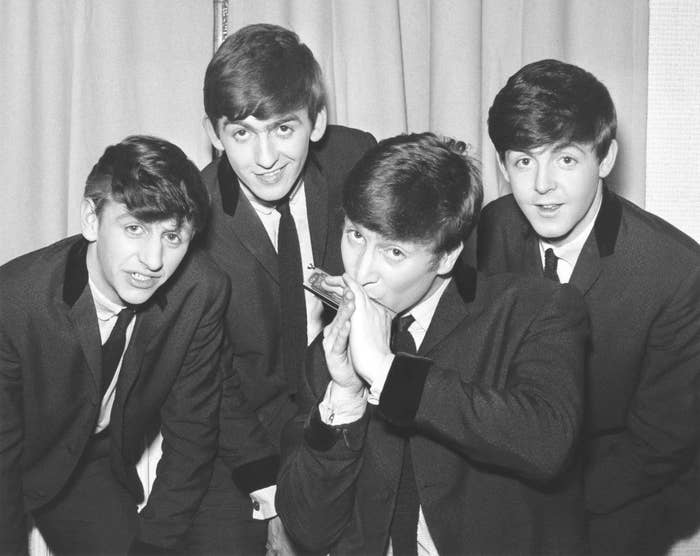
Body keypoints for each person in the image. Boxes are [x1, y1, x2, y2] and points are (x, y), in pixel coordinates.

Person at [276, 132, 590, 555]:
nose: (361, 271)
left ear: (446, 257)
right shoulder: (331, 350)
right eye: (355, 236)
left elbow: (547, 444)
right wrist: (346, 397)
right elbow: (307, 527)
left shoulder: (535, 311)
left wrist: (388, 372)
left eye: (394, 253)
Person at [478, 58, 700, 555]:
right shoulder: (485, 232)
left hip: (617, 504)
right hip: (498, 490)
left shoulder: (676, 271)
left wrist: (544, 506)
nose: (541, 185)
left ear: (605, 159)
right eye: (523, 161)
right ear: (502, 166)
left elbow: (660, 443)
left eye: (566, 160)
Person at [0, 135, 252, 554]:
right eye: (134, 228)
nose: (153, 260)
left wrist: (154, 545)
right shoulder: (13, 300)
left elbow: (191, 435)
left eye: (172, 238)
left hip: (86, 468)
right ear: (91, 219)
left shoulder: (201, 292)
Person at [187, 23, 376, 554]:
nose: (266, 157)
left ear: (315, 123)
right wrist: (274, 502)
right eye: (242, 134)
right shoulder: (193, 218)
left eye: (283, 129)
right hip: (240, 441)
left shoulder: (356, 161)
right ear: (214, 133)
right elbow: (210, 381)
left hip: (348, 417)